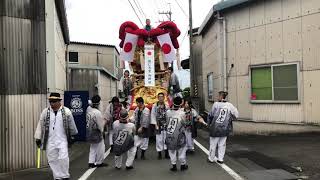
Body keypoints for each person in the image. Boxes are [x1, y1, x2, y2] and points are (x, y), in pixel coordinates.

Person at [34, 92, 78, 180]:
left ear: (59, 101)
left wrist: (73, 135)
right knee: (52, 159)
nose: (52, 103)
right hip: (50, 140)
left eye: (54, 101)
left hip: (62, 139)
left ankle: (65, 176)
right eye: (50, 101)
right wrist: (38, 137)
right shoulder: (45, 112)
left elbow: (71, 124)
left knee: (63, 158)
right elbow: (40, 124)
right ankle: (58, 176)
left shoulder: (66, 111)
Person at [207, 91, 239, 164]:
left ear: (221, 96)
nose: (218, 97)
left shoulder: (216, 104)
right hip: (225, 128)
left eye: (218, 96)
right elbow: (236, 115)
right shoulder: (230, 105)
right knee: (222, 144)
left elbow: (211, 115)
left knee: (213, 144)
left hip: (215, 128)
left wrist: (208, 124)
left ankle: (211, 158)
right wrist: (230, 118)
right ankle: (220, 159)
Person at [165, 96, 188, 171]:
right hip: (179, 134)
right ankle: (182, 164)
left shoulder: (168, 112)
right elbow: (185, 124)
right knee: (181, 150)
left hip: (170, 133)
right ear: (180, 103)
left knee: (172, 150)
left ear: (173, 103)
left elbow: (166, 122)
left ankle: (174, 165)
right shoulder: (182, 113)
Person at [86, 95, 107, 168]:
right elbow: (100, 125)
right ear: (98, 103)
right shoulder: (97, 112)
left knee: (93, 147)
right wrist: (102, 131)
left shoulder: (88, 109)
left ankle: (91, 162)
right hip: (96, 132)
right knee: (101, 147)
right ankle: (99, 162)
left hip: (89, 130)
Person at [151, 92, 170, 160]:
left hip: (165, 124)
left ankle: (166, 153)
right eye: (159, 97)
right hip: (158, 124)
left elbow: (169, 115)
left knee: (166, 139)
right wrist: (155, 124)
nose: (161, 98)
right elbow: (153, 115)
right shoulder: (155, 105)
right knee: (159, 139)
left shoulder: (167, 105)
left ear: (164, 98)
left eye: (162, 96)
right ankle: (159, 153)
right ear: (158, 98)